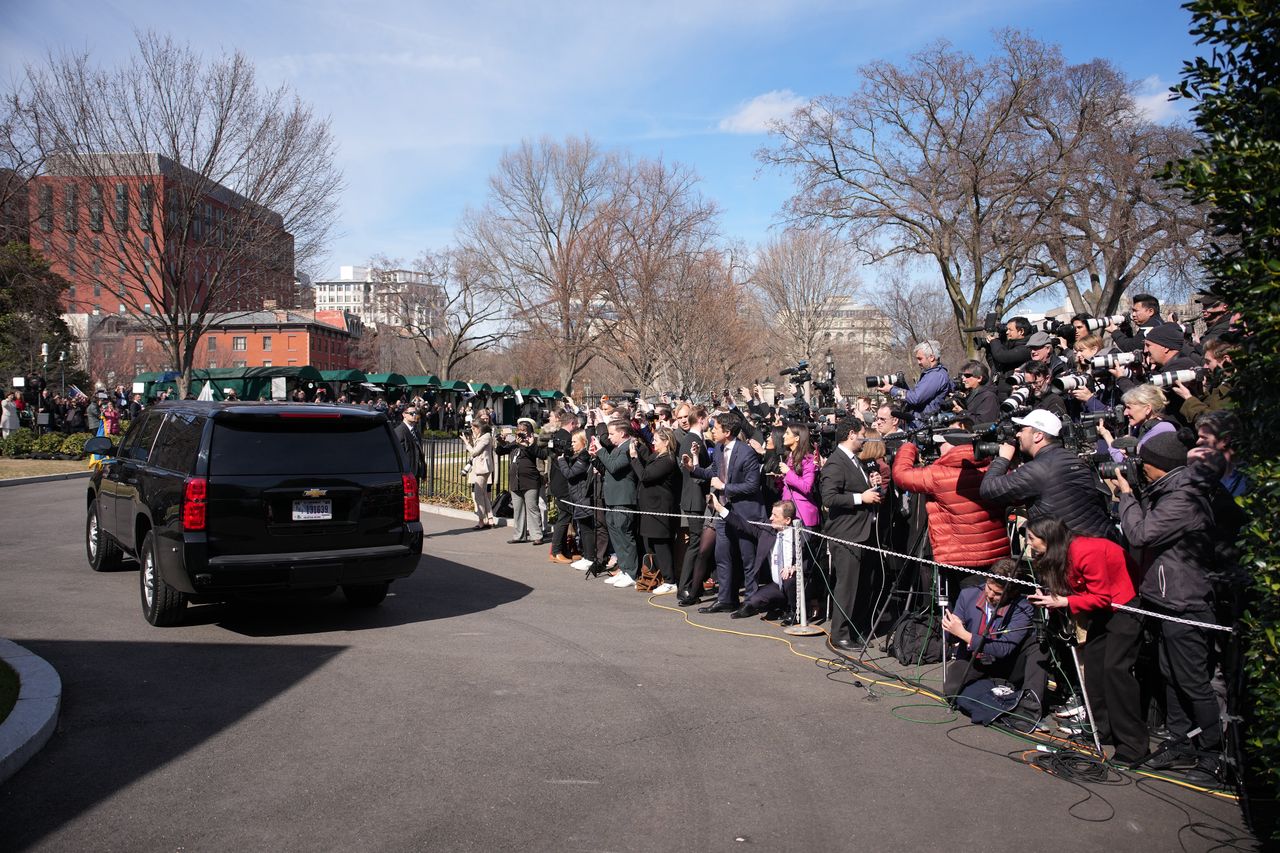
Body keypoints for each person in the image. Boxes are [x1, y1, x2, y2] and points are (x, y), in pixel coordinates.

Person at [1114, 432, 1222, 780]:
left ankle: (1212, 754)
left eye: (1144, 463)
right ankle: (1180, 742)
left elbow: (1141, 534)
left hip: (1185, 601)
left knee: (1192, 681)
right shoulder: (1170, 490)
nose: (1139, 468)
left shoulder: (1184, 499)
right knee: (1170, 675)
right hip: (1166, 597)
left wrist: (1127, 497)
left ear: (1159, 466)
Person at [1024, 517, 1148, 764]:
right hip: (1101, 609)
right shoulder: (1062, 554)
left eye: (1031, 539)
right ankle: (1102, 730)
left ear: (1047, 538)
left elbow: (1101, 596)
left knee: (1116, 670)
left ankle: (1134, 746)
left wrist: (1065, 602)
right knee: (1094, 666)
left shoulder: (1085, 550)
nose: (1029, 545)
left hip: (1124, 605)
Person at [890, 430, 1010, 590]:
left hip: (959, 555)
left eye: (941, 443)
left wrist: (908, 446)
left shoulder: (937, 475)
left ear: (951, 446)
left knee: (964, 606)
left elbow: (901, 475)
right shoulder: (993, 468)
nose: (938, 447)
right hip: (995, 552)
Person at [979, 409, 1114, 539]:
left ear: (1038, 436)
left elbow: (989, 489)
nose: (1017, 435)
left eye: (1022, 429)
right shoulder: (1070, 457)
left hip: (1069, 548)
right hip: (1097, 538)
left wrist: (1003, 459)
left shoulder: (1039, 469)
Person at [685, 410, 765, 613]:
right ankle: (726, 599)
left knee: (747, 558)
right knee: (722, 555)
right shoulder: (720, 449)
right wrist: (693, 468)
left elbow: (752, 485)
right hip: (723, 511)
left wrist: (724, 487)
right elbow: (714, 472)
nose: (712, 431)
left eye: (716, 428)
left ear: (727, 431)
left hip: (744, 513)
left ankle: (751, 601)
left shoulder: (746, 453)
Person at [941, 559, 1044, 712]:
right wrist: (951, 629)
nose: (989, 595)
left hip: (1006, 663)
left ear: (1012, 593)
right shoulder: (968, 595)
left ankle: (1030, 702)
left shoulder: (1022, 607)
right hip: (973, 660)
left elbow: (1004, 648)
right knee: (952, 689)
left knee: (1038, 644)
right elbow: (950, 639)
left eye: (997, 594)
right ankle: (999, 697)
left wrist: (964, 634)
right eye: (988, 587)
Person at [820, 415, 883, 649]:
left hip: (862, 532)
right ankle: (840, 634)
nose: (865, 441)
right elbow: (829, 497)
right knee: (847, 586)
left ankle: (854, 628)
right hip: (846, 534)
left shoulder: (856, 460)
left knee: (861, 585)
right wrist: (861, 497)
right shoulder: (836, 462)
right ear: (851, 435)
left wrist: (873, 485)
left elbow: (862, 489)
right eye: (863, 436)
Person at [709, 494, 805, 622]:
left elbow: (809, 563)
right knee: (755, 601)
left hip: (795, 583)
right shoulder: (767, 531)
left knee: (790, 579)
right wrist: (720, 508)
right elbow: (742, 524)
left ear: (787, 520)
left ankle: (795, 612)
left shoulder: (801, 535)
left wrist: (795, 567)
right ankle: (781, 606)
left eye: (775, 516)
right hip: (777, 584)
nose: (770, 518)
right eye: (771, 514)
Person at [629, 427, 682, 595]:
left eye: (656, 440)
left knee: (661, 545)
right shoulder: (657, 456)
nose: (653, 442)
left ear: (666, 442)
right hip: (650, 507)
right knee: (651, 543)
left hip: (660, 508)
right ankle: (660, 575)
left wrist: (634, 458)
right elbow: (647, 459)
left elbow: (646, 475)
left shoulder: (667, 460)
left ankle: (670, 580)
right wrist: (637, 447)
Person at [592, 419, 641, 588]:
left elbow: (614, 467)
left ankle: (632, 573)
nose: (609, 437)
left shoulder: (629, 447)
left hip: (623, 499)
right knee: (616, 537)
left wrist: (600, 451)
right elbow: (607, 468)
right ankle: (625, 569)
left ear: (622, 433)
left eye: (612, 433)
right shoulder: (616, 449)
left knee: (625, 537)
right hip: (612, 499)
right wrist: (595, 456)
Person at [674, 404, 713, 605]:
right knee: (696, 544)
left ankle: (692, 584)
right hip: (695, 498)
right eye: (708, 419)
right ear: (701, 419)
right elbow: (693, 472)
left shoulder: (696, 439)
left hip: (695, 497)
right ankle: (686, 588)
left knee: (698, 543)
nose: (709, 423)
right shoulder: (692, 439)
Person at [1097, 384, 1178, 464]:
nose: (1125, 413)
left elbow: (1125, 462)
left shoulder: (1162, 429)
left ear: (1147, 409)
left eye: (1129, 408)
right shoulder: (1140, 428)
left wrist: (1107, 436)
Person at [878, 340, 953, 427]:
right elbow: (915, 397)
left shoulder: (936, 376)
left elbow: (916, 398)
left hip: (925, 426)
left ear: (931, 357)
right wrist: (901, 386)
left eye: (920, 358)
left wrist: (892, 390)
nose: (918, 362)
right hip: (919, 424)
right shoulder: (931, 374)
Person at [553, 430, 597, 569]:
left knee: (586, 528)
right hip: (577, 497)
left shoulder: (584, 457)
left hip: (583, 497)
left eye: (574, 442)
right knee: (582, 528)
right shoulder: (576, 456)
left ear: (584, 442)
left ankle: (590, 557)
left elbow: (570, 474)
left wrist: (561, 460)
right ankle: (586, 555)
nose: (571, 445)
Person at [495, 420, 544, 544]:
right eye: (519, 430)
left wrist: (527, 444)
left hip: (530, 481)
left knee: (532, 508)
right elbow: (500, 451)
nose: (520, 433)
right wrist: (501, 441)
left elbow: (539, 454)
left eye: (523, 431)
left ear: (530, 433)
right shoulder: (514, 444)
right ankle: (519, 536)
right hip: (515, 482)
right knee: (518, 509)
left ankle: (536, 536)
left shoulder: (533, 443)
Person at [461, 420, 497, 529]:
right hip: (481, 468)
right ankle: (489, 519)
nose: (473, 430)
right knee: (484, 494)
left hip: (482, 469)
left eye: (474, 428)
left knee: (478, 495)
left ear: (480, 428)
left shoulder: (485, 437)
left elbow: (474, 452)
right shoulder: (482, 436)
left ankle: (482, 521)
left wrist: (466, 442)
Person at [953, 360, 999, 425]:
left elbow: (983, 424)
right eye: (963, 376)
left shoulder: (989, 397)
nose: (963, 380)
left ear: (979, 378)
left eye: (967, 376)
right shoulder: (972, 394)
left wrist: (962, 412)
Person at [395, 405, 426, 481]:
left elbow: (419, 452)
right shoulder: (399, 431)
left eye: (416, 413)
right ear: (404, 414)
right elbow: (398, 455)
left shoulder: (416, 432)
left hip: (416, 473)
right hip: (406, 474)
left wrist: (423, 471)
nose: (414, 415)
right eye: (412, 413)